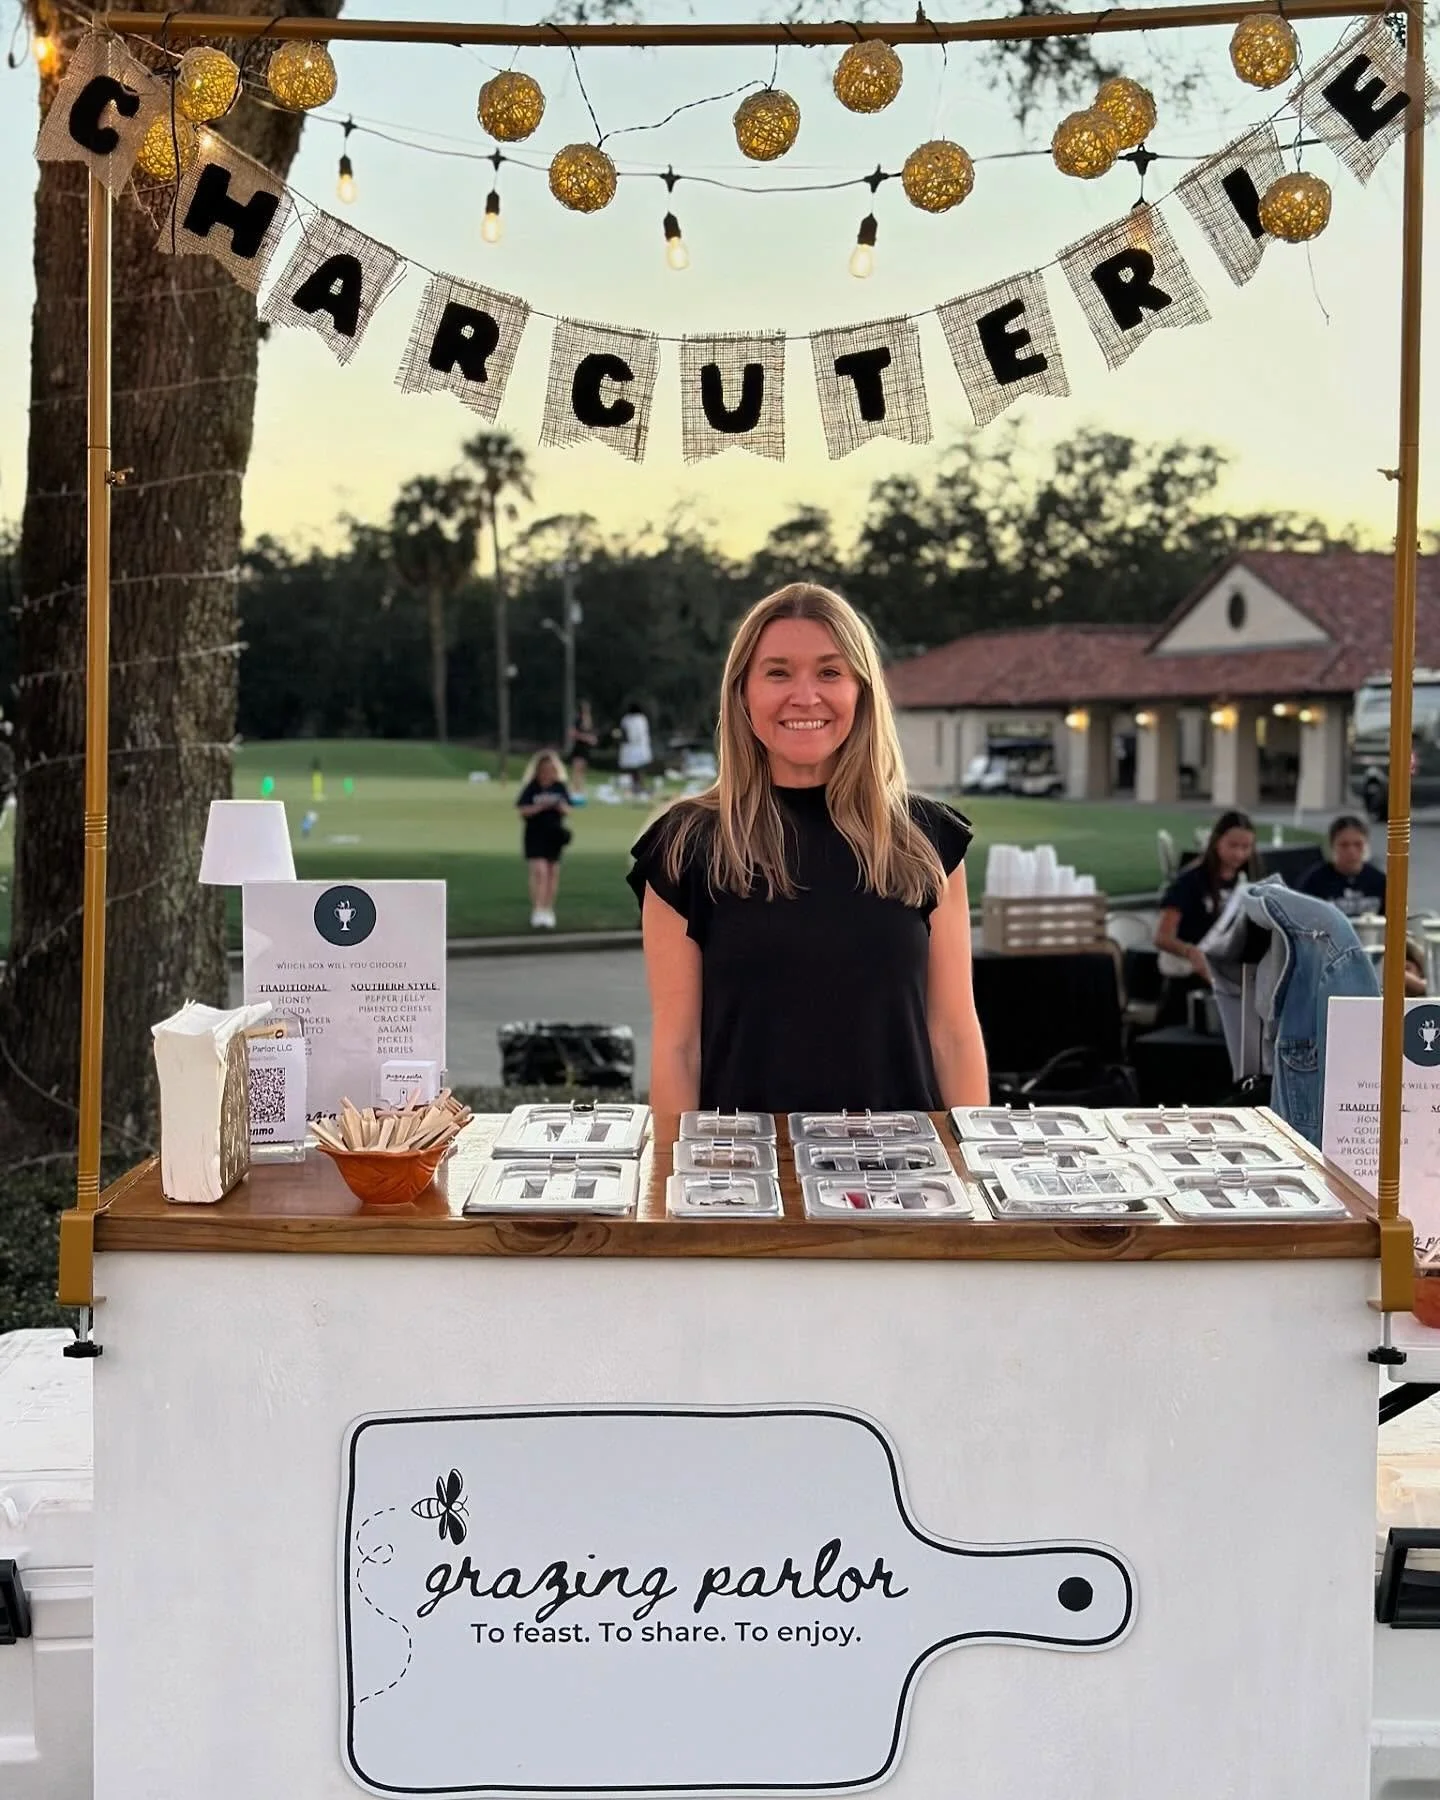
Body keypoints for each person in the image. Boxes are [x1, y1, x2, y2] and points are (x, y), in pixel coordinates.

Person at [626, 582, 988, 1114]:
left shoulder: (926, 841)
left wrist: (973, 1173)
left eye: (829, 672)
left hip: (906, 1181)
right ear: (742, 691)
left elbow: (953, 1036)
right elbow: (680, 1052)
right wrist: (672, 1184)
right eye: (777, 672)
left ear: (860, 691)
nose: (805, 696)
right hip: (743, 1180)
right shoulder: (685, 847)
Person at [1153, 810, 1257, 1026]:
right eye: (1233, 845)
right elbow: (1162, 937)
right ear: (1216, 841)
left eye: (1246, 847)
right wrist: (1191, 952)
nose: (1239, 854)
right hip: (1186, 984)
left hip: (1228, 983)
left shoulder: (1249, 881)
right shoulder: (1189, 881)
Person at [515, 750, 572, 930]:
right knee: (539, 871)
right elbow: (522, 809)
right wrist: (539, 807)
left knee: (552, 872)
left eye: (551, 769)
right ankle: (537, 909)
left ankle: (548, 909)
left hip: (554, 835)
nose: (547, 773)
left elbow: (568, 808)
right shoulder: (532, 787)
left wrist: (561, 807)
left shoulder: (559, 787)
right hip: (535, 834)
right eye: (544, 769)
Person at [1299, 814, 1387, 918]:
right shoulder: (1313, 882)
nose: (1351, 851)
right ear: (1332, 846)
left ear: (1366, 845)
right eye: (1344, 845)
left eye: (1358, 844)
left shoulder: (1380, 881)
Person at [616, 701, 652, 799]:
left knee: (637, 769)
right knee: (635, 770)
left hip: (636, 748)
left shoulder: (636, 719)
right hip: (634, 748)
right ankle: (635, 787)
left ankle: (639, 787)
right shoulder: (635, 719)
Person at [566, 700, 598, 802]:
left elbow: (591, 734)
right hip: (579, 748)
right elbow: (572, 733)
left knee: (583, 771)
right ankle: (573, 791)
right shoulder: (578, 720)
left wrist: (593, 739)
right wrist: (586, 738)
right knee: (577, 770)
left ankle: (580, 790)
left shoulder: (589, 721)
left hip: (586, 749)